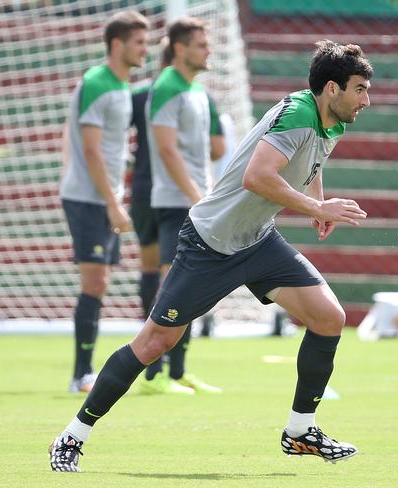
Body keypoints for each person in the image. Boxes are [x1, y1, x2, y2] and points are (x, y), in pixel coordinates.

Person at [49, 39, 373, 472]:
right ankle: (72, 436)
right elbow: (256, 178)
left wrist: (316, 198)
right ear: (332, 89)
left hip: (256, 241)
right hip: (209, 244)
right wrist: (315, 207)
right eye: (359, 89)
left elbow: (311, 160)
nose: (366, 100)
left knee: (328, 318)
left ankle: (300, 431)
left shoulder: (331, 120)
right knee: (155, 342)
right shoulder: (298, 114)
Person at [58, 10, 149, 394]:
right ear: (118, 44)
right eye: (139, 42)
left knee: (102, 282)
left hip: (102, 196)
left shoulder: (121, 86)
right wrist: (113, 201)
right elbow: (92, 151)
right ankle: (82, 373)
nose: (145, 49)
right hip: (89, 198)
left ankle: (83, 370)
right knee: (94, 281)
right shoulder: (97, 81)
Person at [136, 18, 224, 395]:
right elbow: (166, 149)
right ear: (179, 48)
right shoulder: (168, 86)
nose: (208, 50)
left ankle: (176, 372)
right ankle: (154, 374)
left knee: (189, 286)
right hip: (176, 204)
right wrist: (194, 196)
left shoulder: (197, 91)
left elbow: (208, 150)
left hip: (194, 201)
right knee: (175, 287)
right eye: (201, 44)